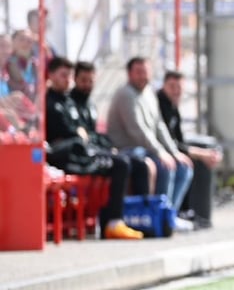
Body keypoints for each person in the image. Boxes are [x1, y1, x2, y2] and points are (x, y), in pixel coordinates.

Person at [43, 56, 143, 240]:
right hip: (67, 158)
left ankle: (122, 219)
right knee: (120, 164)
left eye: (69, 76)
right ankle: (112, 223)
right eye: (63, 75)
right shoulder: (50, 103)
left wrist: (91, 139)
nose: (67, 80)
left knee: (131, 162)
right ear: (51, 75)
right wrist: (80, 135)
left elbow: (87, 133)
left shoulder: (70, 102)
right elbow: (70, 134)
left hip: (82, 153)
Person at [106, 57, 196, 232]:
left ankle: (170, 214)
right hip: (129, 148)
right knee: (164, 166)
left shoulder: (149, 93)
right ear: (129, 74)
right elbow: (138, 131)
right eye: (138, 72)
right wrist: (161, 153)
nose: (142, 76)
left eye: (145, 72)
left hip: (147, 148)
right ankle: (158, 215)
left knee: (183, 167)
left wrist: (174, 152)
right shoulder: (125, 94)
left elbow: (159, 126)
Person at [72, 61, 154, 196]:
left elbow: (93, 134)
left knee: (140, 165)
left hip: (98, 149)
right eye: (83, 80)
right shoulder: (70, 103)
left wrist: (108, 146)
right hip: (82, 154)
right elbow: (80, 136)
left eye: (90, 81)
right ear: (75, 79)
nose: (87, 85)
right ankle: (114, 215)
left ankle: (142, 210)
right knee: (122, 164)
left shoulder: (90, 104)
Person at [157, 70, 223, 229]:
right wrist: (201, 154)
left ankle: (176, 212)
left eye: (179, 87)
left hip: (171, 151)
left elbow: (179, 141)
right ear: (164, 85)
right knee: (181, 165)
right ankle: (169, 214)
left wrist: (203, 154)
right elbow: (169, 144)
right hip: (160, 152)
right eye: (171, 86)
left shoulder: (174, 107)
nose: (175, 91)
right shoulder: (159, 105)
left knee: (186, 164)